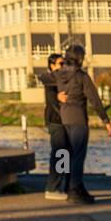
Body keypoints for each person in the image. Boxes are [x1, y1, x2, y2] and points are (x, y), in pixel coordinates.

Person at [54, 43, 111, 204]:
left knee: (65, 154)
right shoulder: (81, 76)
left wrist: (57, 98)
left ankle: (66, 186)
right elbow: (95, 100)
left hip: (64, 118)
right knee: (77, 156)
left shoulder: (59, 75)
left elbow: (47, 84)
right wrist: (106, 122)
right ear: (80, 59)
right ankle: (75, 190)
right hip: (78, 119)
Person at [39, 53, 69, 202]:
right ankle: (53, 187)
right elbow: (53, 103)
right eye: (60, 64)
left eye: (64, 64)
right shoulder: (50, 80)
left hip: (64, 122)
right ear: (52, 65)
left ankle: (63, 186)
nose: (63, 66)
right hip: (56, 122)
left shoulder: (62, 79)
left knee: (65, 153)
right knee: (60, 152)